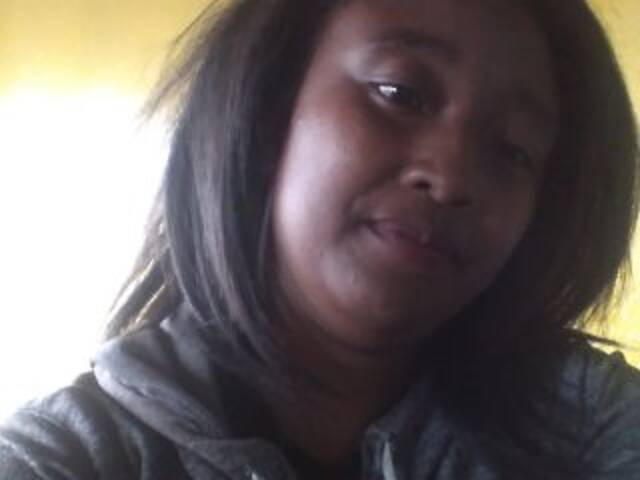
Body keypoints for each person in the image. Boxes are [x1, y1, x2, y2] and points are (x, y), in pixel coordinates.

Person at [1, 0, 639, 478]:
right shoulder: (70, 455)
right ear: (267, 106)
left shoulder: (586, 426)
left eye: (514, 150)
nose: (452, 178)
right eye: (400, 93)